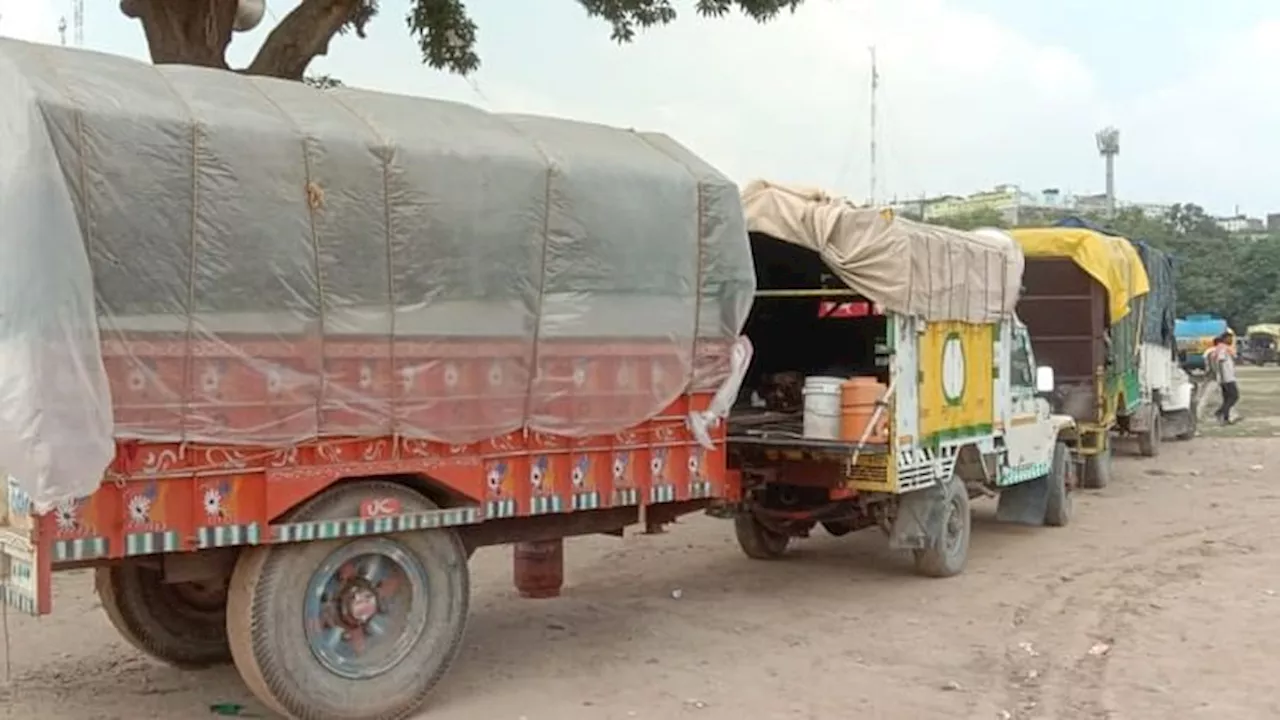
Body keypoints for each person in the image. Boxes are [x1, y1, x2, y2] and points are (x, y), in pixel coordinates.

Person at [1208, 333, 1240, 424]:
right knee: (1234, 396)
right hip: (1227, 378)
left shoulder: (1220, 348)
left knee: (1227, 398)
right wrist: (1223, 378)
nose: (1231, 341)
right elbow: (1221, 362)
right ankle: (1220, 412)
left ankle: (1225, 418)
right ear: (1225, 339)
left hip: (1225, 377)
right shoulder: (1223, 349)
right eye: (1229, 339)